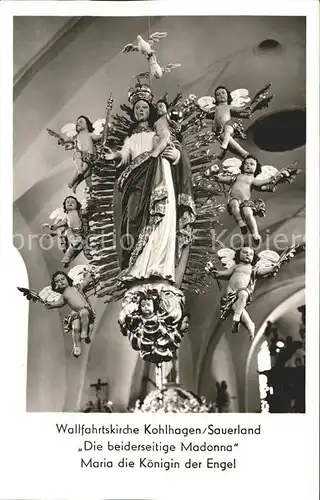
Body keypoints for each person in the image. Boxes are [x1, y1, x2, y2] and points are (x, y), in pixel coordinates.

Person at [104, 83, 195, 286]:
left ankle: (160, 264)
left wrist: (178, 157)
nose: (140, 111)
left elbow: (179, 156)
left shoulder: (161, 132)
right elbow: (125, 155)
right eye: (137, 108)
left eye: (144, 107)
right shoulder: (132, 138)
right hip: (136, 182)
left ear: (150, 110)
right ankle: (136, 266)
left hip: (160, 180)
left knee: (162, 218)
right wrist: (113, 155)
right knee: (133, 219)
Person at [45, 270, 95, 357]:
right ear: (56, 286)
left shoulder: (77, 287)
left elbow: (85, 282)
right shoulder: (64, 295)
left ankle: (85, 333)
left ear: (67, 279)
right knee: (75, 327)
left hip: (86, 309)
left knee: (84, 313)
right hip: (76, 313)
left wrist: (88, 275)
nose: (61, 282)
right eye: (58, 282)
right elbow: (59, 303)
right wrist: (51, 305)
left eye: (62, 279)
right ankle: (77, 346)